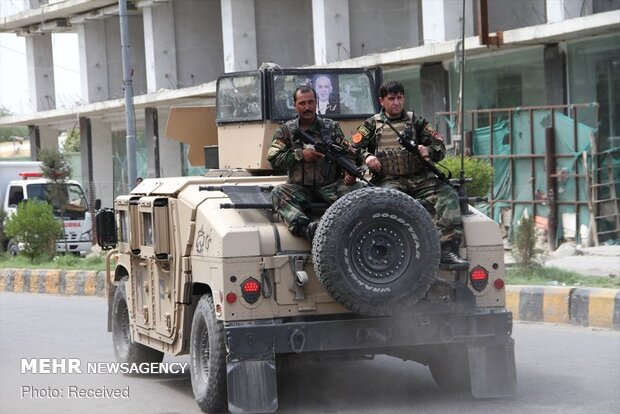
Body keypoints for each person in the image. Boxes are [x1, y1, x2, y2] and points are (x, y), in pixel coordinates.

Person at [348, 80, 468, 270]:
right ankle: (399, 251)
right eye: (391, 99)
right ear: (382, 101)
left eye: (399, 98)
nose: (396, 102)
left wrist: (427, 150)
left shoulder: (416, 121)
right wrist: (367, 156)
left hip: (421, 179)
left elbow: (440, 147)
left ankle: (448, 250)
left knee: (448, 195)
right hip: (389, 180)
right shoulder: (372, 125)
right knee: (391, 203)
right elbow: (352, 148)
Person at [268, 85, 364, 240]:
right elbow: (274, 159)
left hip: (331, 187)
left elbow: (349, 154)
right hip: (300, 189)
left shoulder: (331, 128)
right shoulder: (286, 131)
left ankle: (364, 228)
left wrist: (350, 173)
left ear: (316, 102)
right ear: (295, 105)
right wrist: (300, 154)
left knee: (364, 191)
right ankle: (306, 229)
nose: (307, 107)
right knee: (278, 192)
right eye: (302, 103)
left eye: (311, 102)